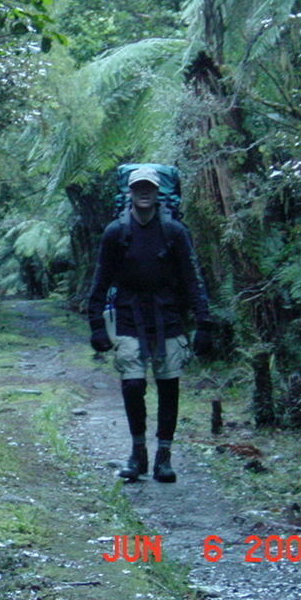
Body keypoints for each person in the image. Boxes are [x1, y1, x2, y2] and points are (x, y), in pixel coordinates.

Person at [87, 165, 212, 483]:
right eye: (138, 187)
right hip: (129, 316)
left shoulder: (174, 232)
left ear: (158, 193)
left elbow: (192, 279)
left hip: (168, 316)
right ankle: (138, 453)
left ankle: (163, 458)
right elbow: (100, 279)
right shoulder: (116, 232)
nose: (144, 192)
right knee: (132, 385)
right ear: (129, 192)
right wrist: (96, 325)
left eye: (150, 188)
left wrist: (204, 323)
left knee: (169, 386)